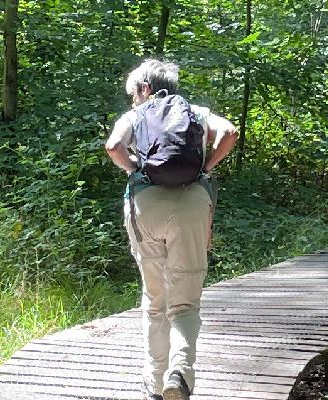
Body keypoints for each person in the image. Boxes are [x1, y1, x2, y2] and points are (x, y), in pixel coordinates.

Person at [104, 59, 240, 400]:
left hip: (145, 205)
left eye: (132, 93)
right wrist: (206, 167)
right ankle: (180, 372)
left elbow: (112, 146)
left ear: (144, 88)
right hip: (192, 203)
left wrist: (136, 169)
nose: (132, 100)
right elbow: (230, 133)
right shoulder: (195, 112)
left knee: (155, 300)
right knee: (185, 304)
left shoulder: (135, 116)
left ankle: (153, 382)